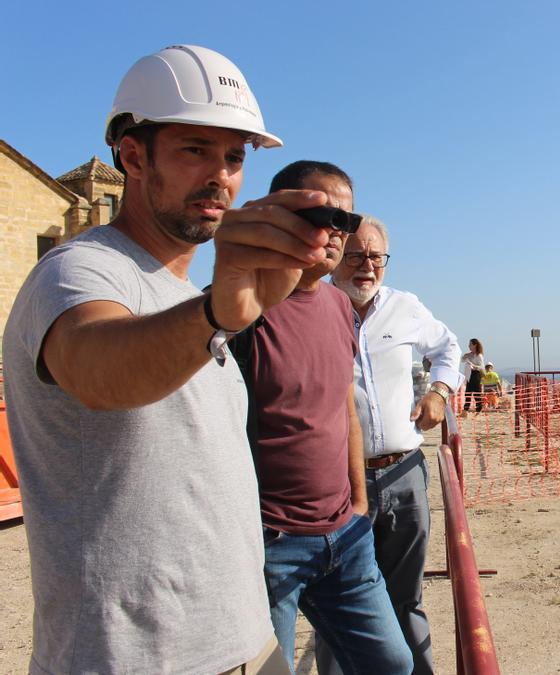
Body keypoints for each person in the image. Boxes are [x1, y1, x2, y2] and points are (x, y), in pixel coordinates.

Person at [1, 44, 311, 673]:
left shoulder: (184, 296)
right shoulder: (80, 270)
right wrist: (218, 315)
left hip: (246, 643)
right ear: (133, 155)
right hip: (132, 659)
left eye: (234, 156)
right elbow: (98, 369)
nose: (221, 175)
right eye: (195, 149)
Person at [232, 163, 412, 673]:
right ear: (278, 216)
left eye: (346, 219)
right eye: (321, 214)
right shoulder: (236, 311)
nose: (337, 230)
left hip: (345, 537)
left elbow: (343, 409)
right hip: (272, 545)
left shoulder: (338, 306)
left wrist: (357, 502)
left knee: (392, 665)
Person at [329, 216, 462, 675]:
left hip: (404, 474)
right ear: (335, 256)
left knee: (406, 596)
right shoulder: (312, 307)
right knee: (341, 602)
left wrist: (439, 393)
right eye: (356, 255)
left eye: (376, 256)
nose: (367, 266)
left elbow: (448, 348)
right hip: (339, 483)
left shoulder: (405, 306)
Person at [461, 338, 485, 414]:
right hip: (469, 375)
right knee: (467, 393)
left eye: (470, 344)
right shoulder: (470, 354)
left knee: (476, 393)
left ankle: (479, 410)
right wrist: (465, 356)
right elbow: (462, 360)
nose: (469, 346)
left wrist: (473, 365)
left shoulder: (479, 355)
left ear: (475, 345)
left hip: (476, 375)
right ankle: (465, 411)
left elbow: (481, 367)